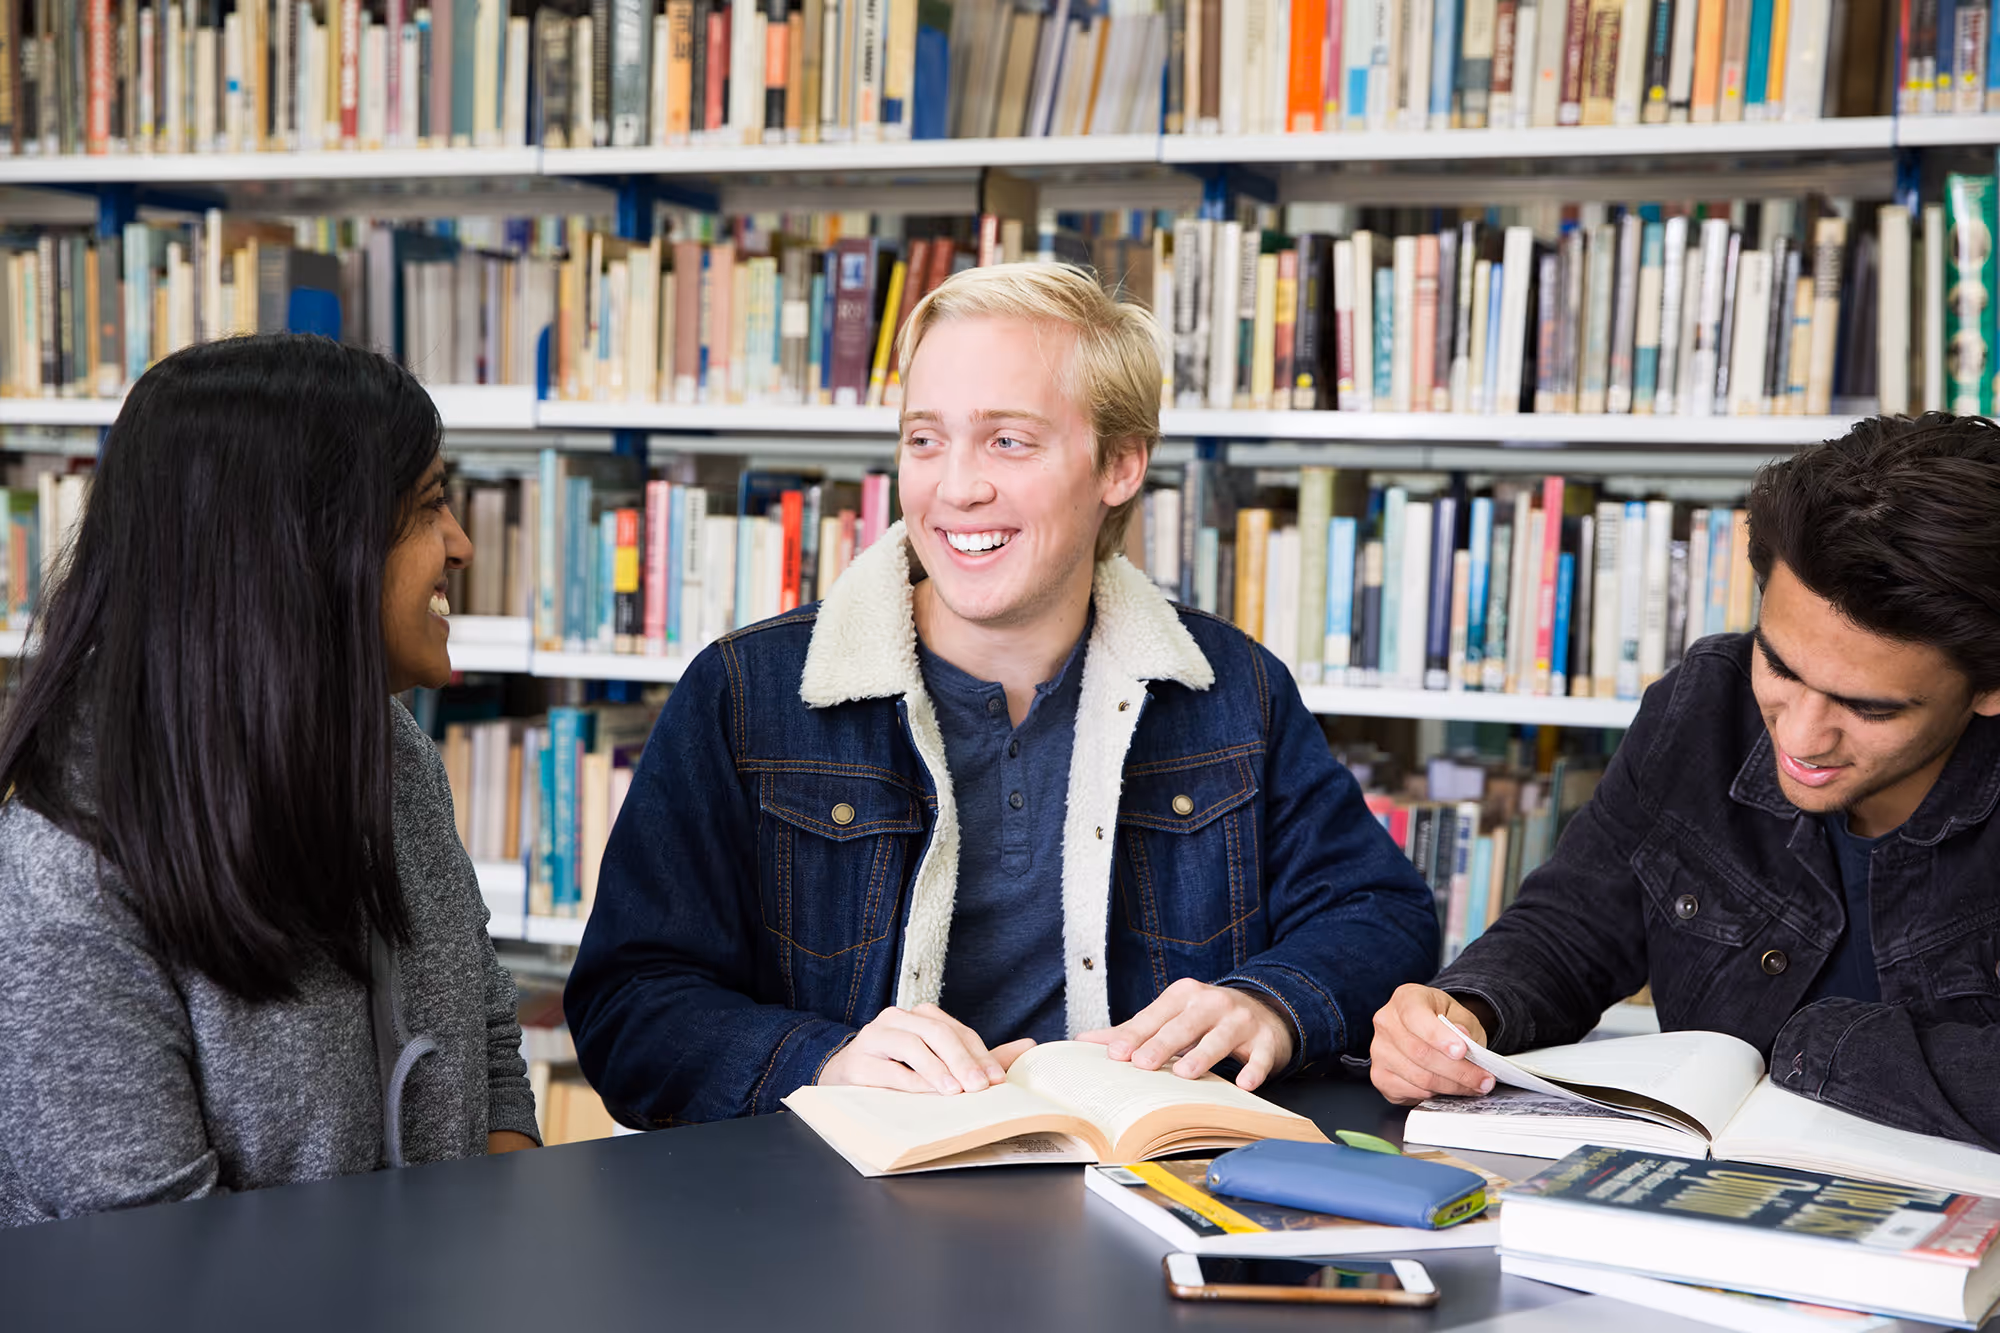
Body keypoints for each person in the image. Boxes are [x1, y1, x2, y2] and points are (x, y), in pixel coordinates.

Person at [565, 263, 1440, 1127]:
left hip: (1143, 1203)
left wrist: (1271, 1005)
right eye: (924, 439)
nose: (955, 486)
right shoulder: (746, 695)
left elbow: (1381, 913)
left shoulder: (1234, 690)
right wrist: (821, 1059)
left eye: (1007, 440)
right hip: (835, 1216)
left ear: (1120, 465)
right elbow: (629, 1004)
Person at [0, 334, 539, 1227]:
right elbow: (147, 1262)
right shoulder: (64, 872)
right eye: (431, 506)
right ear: (302, 549)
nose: (462, 544)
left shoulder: (393, 755)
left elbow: (488, 1063)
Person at [1370, 413, 2000, 1150]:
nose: (1799, 737)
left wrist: (1815, 1045)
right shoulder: (1703, 704)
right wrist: (1464, 1016)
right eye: (1781, 666)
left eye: (1868, 708)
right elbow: (1571, 926)